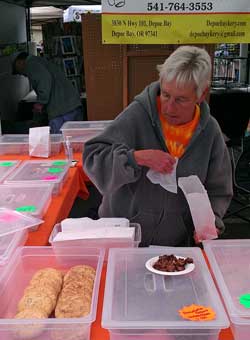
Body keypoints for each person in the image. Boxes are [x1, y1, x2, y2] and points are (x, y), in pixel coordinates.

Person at [83, 46, 233, 247]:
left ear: (202, 94)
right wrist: (135, 158)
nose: (169, 108)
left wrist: (210, 222)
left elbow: (218, 189)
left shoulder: (210, 132)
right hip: (124, 239)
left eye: (181, 99)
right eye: (166, 94)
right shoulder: (138, 114)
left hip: (175, 246)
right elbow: (93, 157)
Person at [12, 52, 82, 133]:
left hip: (61, 111)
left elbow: (44, 80)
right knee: (74, 140)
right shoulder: (40, 61)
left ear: (19, 62)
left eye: (17, 71)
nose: (22, 74)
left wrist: (40, 103)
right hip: (73, 106)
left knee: (58, 142)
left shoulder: (31, 64)